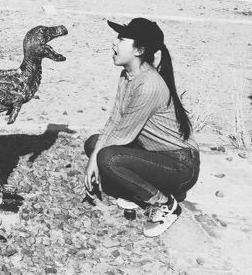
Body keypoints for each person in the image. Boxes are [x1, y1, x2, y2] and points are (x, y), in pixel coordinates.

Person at [84, 18, 200, 237]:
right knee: (93, 143)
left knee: (107, 158)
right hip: (154, 155)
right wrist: (94, 154)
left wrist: (94, 161)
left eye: (121, 39)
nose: (114, 43)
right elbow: (115, 119)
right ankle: (136, 193)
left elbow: (121, 133)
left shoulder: (148, 84)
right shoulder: (128, 76)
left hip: (180, 166)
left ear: (139, 50)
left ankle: (165, 204)